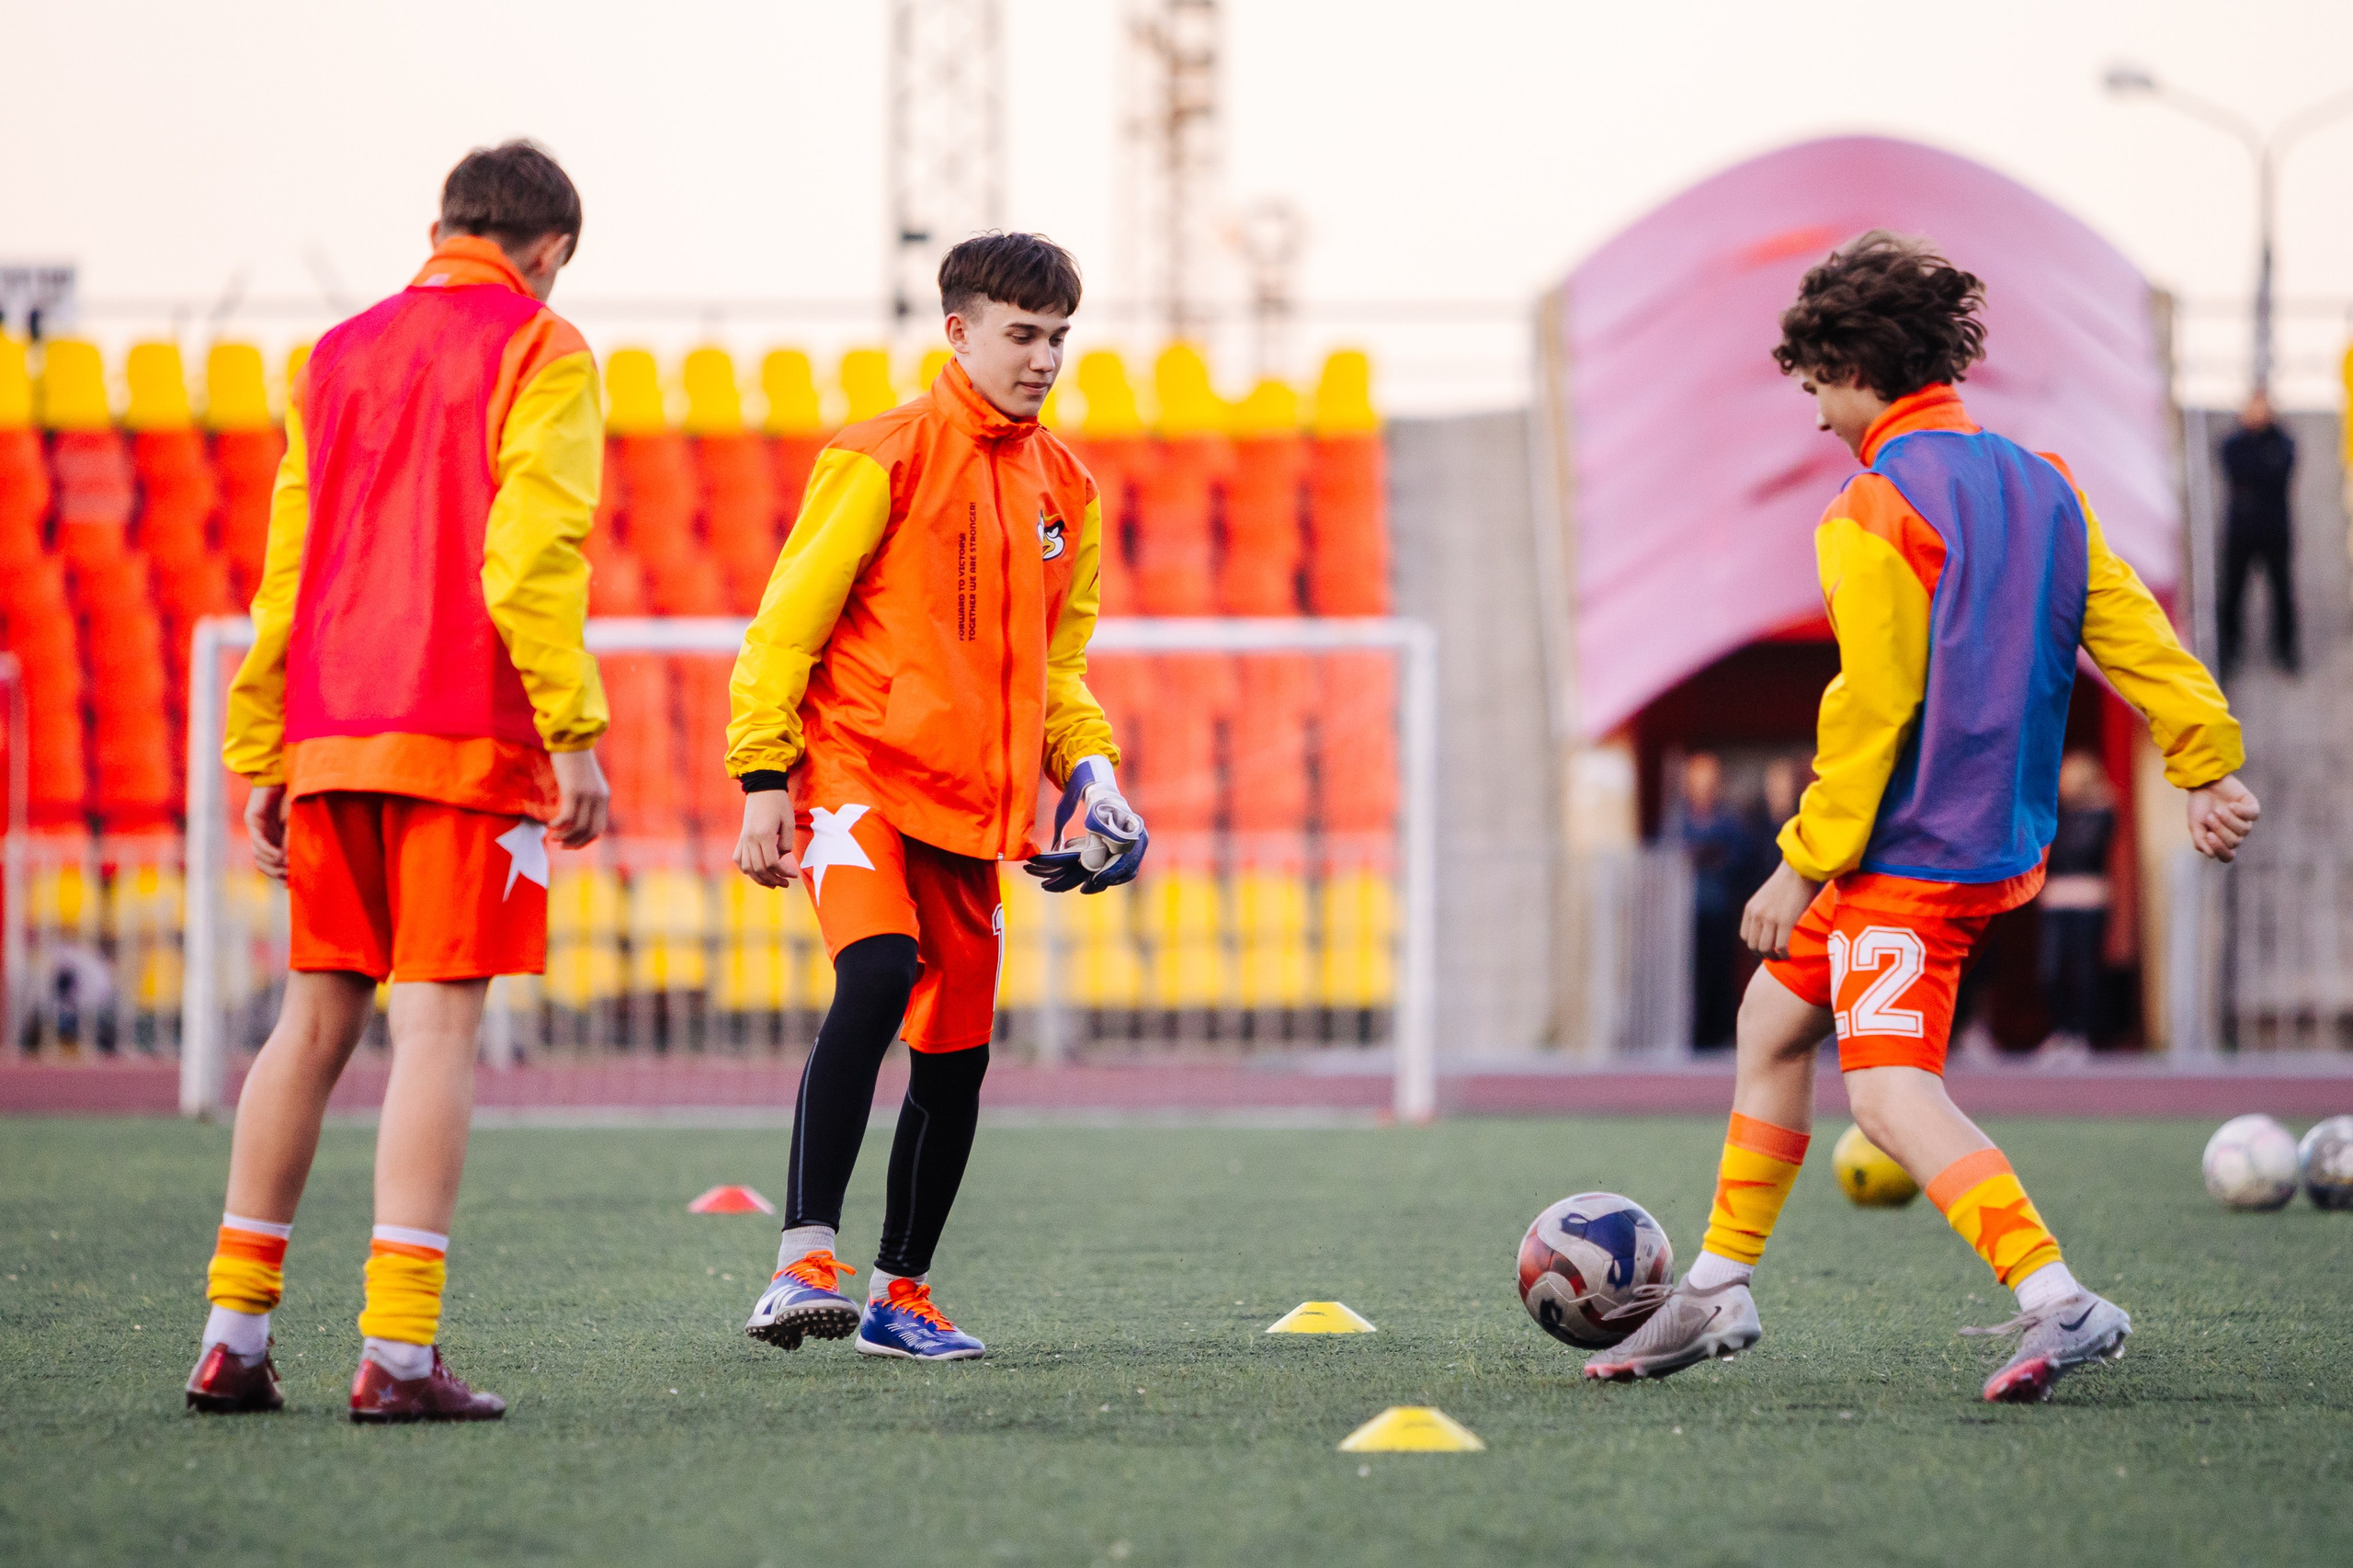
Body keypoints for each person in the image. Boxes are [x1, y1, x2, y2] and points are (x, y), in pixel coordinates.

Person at [1584, 232, 2259, 1403]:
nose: (1812, 420)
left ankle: (2057, 1297)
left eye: (1814, 388)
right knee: (1771, 1024)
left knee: (1890, 1092)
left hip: (1908, 857)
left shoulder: (1872, 504)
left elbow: (1869, 705)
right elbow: (2134, 635)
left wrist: (1800, 862)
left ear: (1855, 367)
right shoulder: (2045, 482)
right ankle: (1718, 1286)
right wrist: (2202, 761)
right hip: (1970, 840)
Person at [185, 142, 611, 1421]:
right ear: (550, 252)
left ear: (439, 227)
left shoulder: (335, 355)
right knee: (435, 1028)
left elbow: (288, 560)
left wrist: (265, 744)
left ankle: (232, 1337)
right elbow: (532, 554)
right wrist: (574, 731)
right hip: (459, 731)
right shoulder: (543, 348)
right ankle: (399, 1354)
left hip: (328, 725)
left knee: (309, 1025)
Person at [729, 233, 1143, 1362]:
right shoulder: (883, 454)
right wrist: (764, 774)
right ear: (957, 331)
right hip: (855, 776)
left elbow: (1060, 675)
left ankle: (898, 1294)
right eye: (1022, 334)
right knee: (874, 970)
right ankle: (800, 1260)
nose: (1045, 356)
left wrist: (1098, 782)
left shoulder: (1068, 486)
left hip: (973, 815)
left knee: (956, 1056)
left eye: (1059, 335)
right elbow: (785, 625)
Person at [1666, 752, 1756, 1050]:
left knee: (1719, 973)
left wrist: (1711, 858)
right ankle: (1691, 1034)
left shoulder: (1729, 821)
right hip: (1684, 914)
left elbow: (1741, 860)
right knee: (1689, 975)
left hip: (1719, 911)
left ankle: (1718, 1033)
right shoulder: (1677, 821)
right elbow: (1666, 857)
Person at [2036, 753, 2116, 1060]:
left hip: (2088, 897)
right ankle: (2061, 1031)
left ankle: (2082, 1035)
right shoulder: (2057, 813)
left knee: (2084, 971)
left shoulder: (2102, 811)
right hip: (2056, 899)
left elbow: (2083, 850)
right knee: (2050, 971)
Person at [2216, 391, 2298, 677]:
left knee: (2281, 590)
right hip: (2242, 529)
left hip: (2274, 529)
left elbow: (2277, 471)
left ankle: (2286, 649)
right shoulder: (2235, 443)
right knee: (2232, 589)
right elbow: (2237, 469)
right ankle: (2227, 648)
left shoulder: (2282, 443)